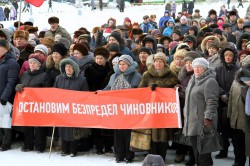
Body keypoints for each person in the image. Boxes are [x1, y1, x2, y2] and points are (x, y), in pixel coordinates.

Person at [138, 52, 179, 161]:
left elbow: (175, 84)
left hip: (164, 110)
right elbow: (140, 89)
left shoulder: (171, 74)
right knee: (151, 136)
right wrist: (149, 89)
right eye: (156, 61)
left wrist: (160, 86)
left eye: (161, 61)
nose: (158, 63)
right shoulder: (147, 74)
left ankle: (162, 159)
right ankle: (152, 159)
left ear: (164, 63)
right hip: (151, 109)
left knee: (163, 136)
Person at [104, 55, 142, 163]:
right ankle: (119, 154)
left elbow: (138, 90)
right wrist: (100, 92)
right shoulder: (114, 75)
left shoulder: (136, 76)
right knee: (118, 132)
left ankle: (129, 155)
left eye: (124, 64)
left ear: (129, 65)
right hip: (117, 108)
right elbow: (108, 88)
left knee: (128, 133)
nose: (121, 66)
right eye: (120, 64)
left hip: (130, 108)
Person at [183, 57, 219, 166]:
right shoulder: (193, 79)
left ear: (205, 68)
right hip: (192, 122)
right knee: (197, 152)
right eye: (195, 67)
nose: (197, 69)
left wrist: (208, 117)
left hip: (204, 122)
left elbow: (212, 101)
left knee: (203, 155)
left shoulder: (210, 81)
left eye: (200, 67)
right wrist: (180, 89)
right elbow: (191, 95)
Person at [15, 54, 52, 153]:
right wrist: (18, 87)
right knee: (27, 125)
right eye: (30, 62)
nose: (31, 64)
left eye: (34, 62)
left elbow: (47, 91)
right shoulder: (24, 74)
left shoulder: (44, 75)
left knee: (39, 126)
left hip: (38, 105)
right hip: (26, 104)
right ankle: (28, 145)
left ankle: (40, 146)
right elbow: (19, 85)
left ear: (39, 65)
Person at [54, 57, 89, 157]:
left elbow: (85, 95)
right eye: (66, 66)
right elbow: (54, 92)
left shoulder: (82, 80)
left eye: (70, 67)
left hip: (75, 109)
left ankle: (74, 150)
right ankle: (64, 149)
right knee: (63, 129)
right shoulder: (58, 78)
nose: (68, 69)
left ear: (74, 68)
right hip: (63, 108)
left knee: (73, 130)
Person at [214, 46, 239, 160]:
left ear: (233, 57)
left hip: (234, 103)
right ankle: (223, 150)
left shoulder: (238, 70)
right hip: (221, 103)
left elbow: (240, 85)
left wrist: (229, 95)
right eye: (226, 55)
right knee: (222, 130)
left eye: (230, 55)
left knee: (234, 130)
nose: (228, 57)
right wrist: (222, 94)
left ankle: (238, 153)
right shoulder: (218, 69)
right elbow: (215, 84)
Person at [0, 39, 19, 151]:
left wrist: (4, 97)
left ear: (6, 49)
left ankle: (6, 143)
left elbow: (11, 82)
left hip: (5, 97)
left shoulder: (12, 63)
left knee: (5, 122)